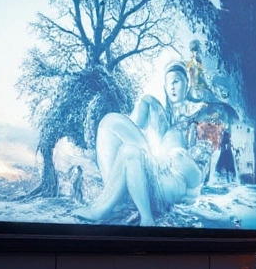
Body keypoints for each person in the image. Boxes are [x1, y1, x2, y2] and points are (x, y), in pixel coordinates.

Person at [77, 62, 230, 226]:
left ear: (187, 84)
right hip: (151, 176)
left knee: (112, 121)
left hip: (171, 181)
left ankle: (106, 203)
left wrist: (176, 159)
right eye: (168, 82)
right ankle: (141, 215)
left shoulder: (196, 118)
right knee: (128, 148)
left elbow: (198, 175)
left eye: (177, 81)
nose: (172, 85)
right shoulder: (160, 113)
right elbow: (138, 126)